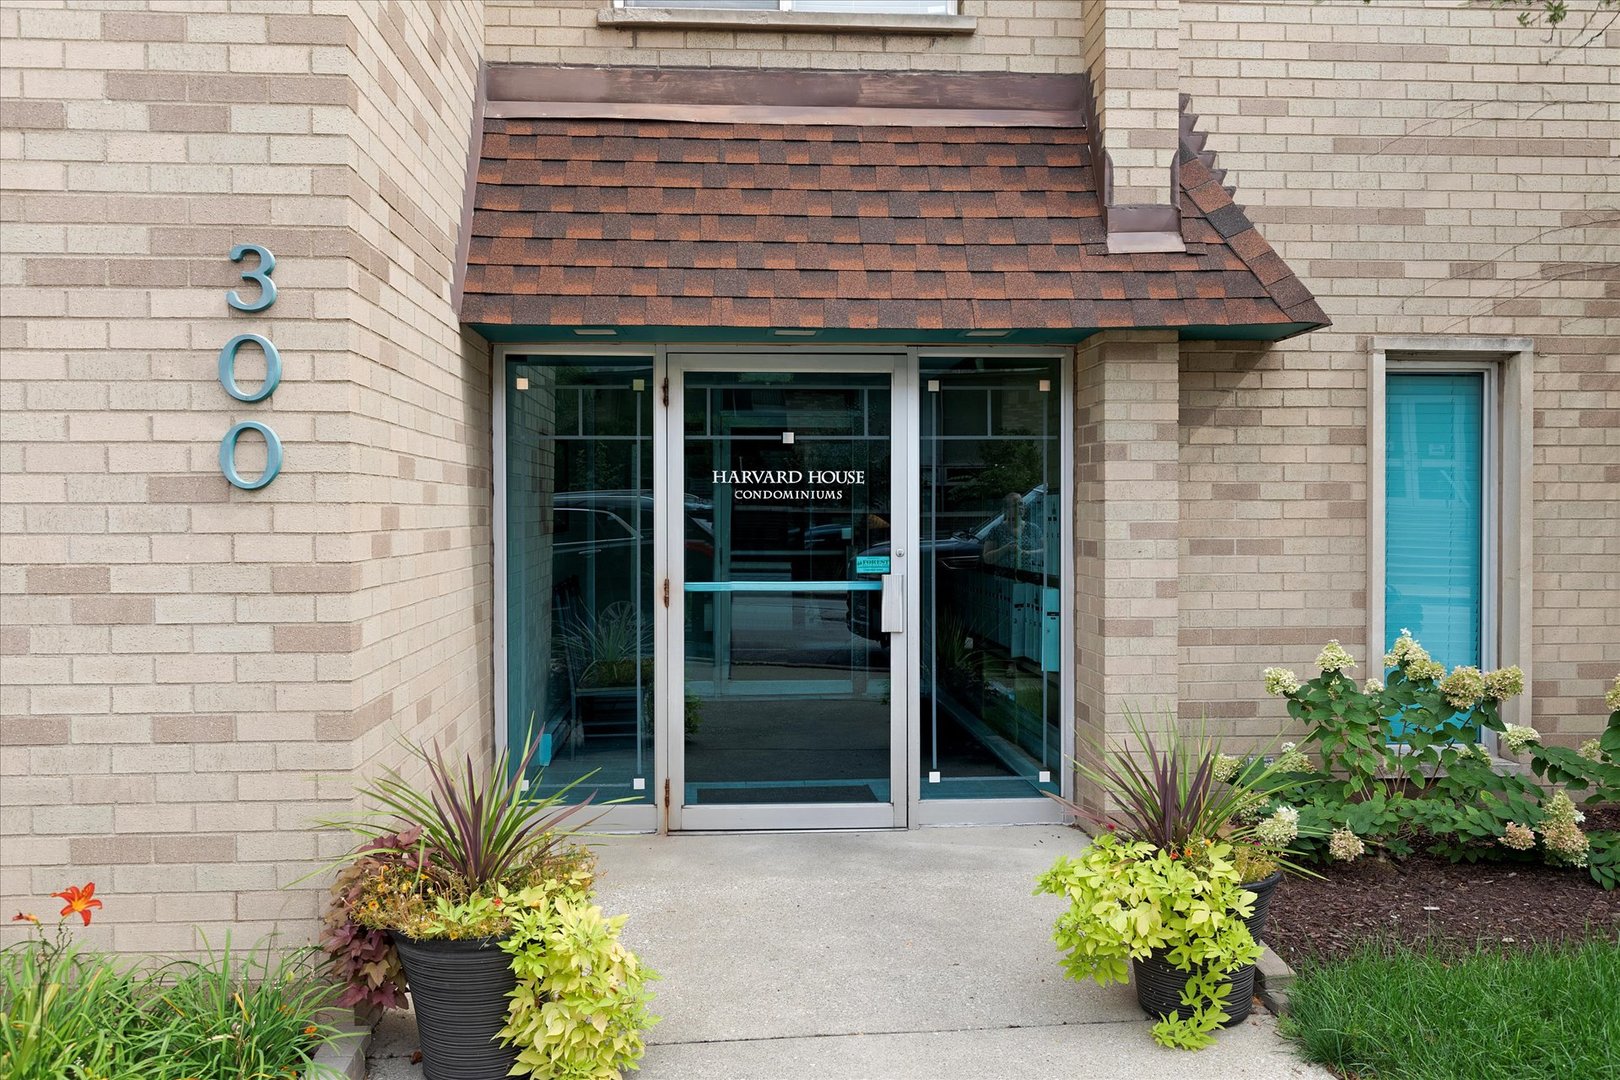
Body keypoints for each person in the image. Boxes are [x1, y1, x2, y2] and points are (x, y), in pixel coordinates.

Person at [982, 491, 1043, 572]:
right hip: (1005, 579)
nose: (1020, 507)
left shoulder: (1034, 528)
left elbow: (1045, 551)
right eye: (1015, 505)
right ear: (1006, 509)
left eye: (1021, 504)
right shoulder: (996, 530)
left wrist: (1026, 553)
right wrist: (1005, 549)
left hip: (1028, 579)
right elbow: (987, 558)